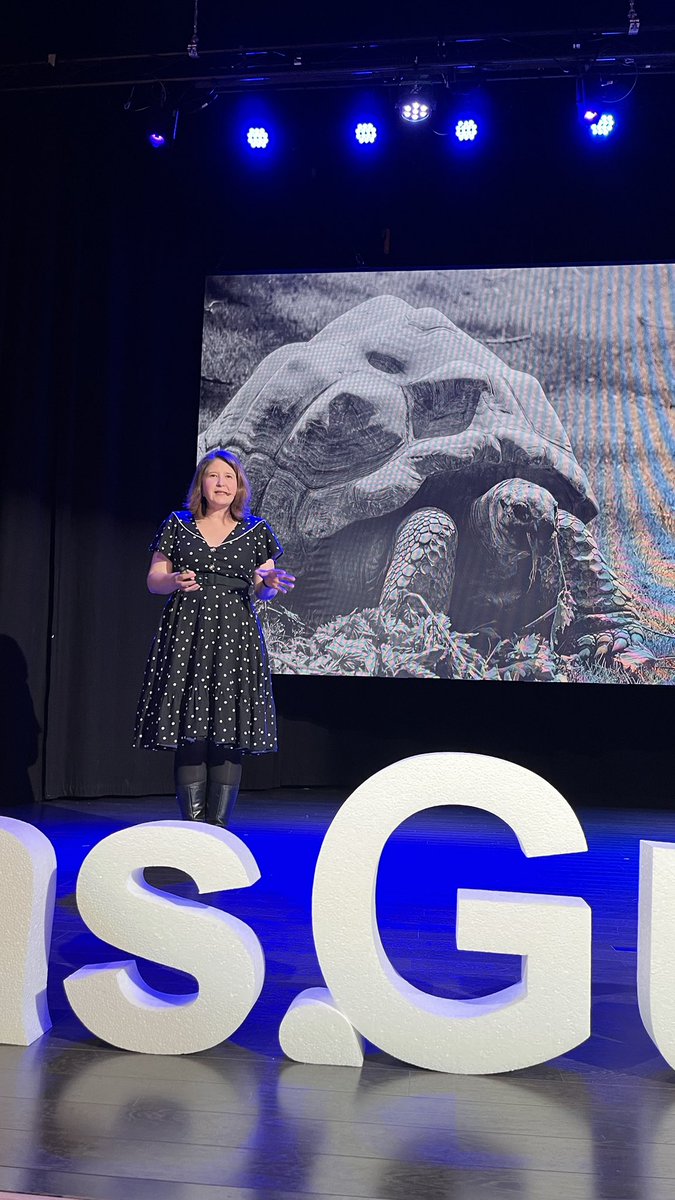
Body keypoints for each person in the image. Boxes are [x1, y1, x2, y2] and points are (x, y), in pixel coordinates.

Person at [134, 449, 295, 826]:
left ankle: (218, 829)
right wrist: (173, 580)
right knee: (190, 729)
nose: (221, 483)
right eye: (213, 476)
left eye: (229, 477)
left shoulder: (256, 530)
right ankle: (194, 830)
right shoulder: (178, 523)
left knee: (228, 730)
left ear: (239, 486)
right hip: (187, 633)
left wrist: (269, 584)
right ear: (201, 484)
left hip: (234, 638)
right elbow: (154, 580)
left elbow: (263, 589)